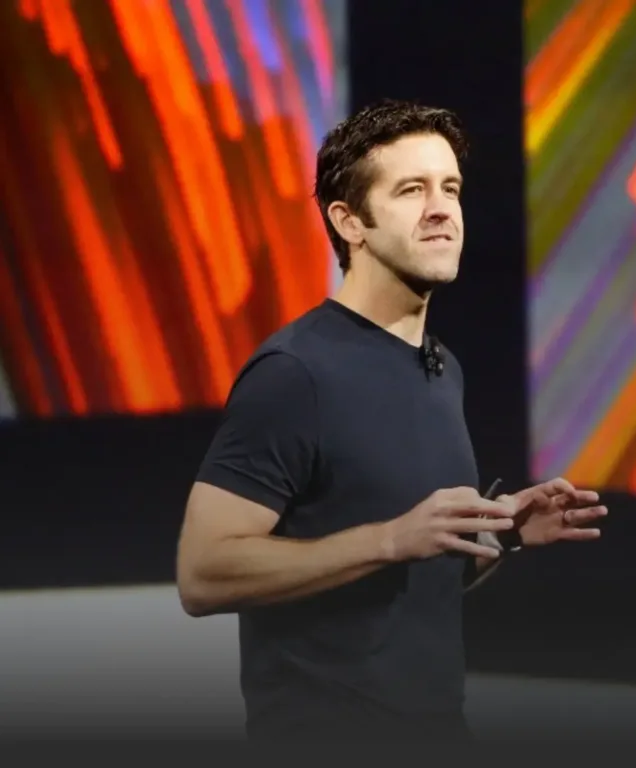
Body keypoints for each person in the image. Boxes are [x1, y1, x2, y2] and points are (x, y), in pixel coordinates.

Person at [175, 100, 607, 744]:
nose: (441, 208)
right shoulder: (295, 374)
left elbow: (414, 578)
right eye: (411, 190)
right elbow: (202, 574)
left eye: (450, 188)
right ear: (349, 222)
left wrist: (500, 533)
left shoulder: (442, 368)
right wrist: (389, 538)